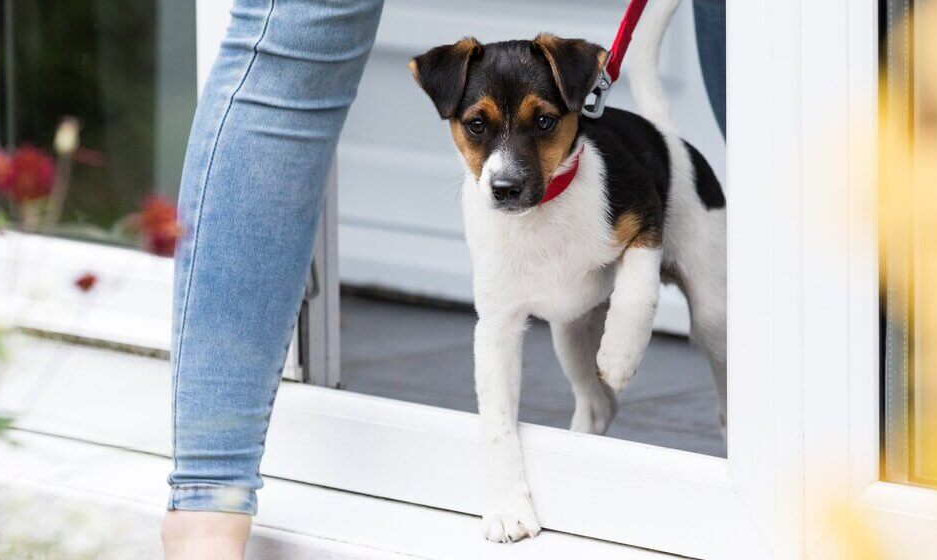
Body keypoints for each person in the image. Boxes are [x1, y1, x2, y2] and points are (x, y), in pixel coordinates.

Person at [160, 1, 725, 557]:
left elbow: (645, 216)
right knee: (549, 327)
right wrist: (502, 486)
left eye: (543, 126)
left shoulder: (602, 177)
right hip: (567, 276)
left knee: (717, 324)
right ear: (452, 113)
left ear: (575, 104)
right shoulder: (484, 210)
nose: (506, 168)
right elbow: (498, 332)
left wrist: (636, 300)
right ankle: (582, 432)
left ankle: (741, 439)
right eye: (478, 127)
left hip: (677, 193)